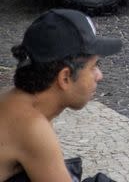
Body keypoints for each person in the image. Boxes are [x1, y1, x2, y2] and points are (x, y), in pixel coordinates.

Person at [0, 9, 122, 181]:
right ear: (65, 77)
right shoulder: (32, 128)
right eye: (94, 66)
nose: (99, 75)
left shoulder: (12, 101)